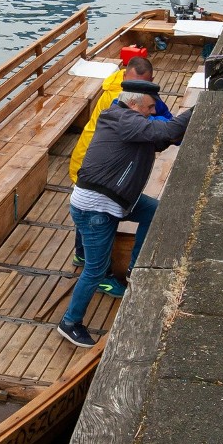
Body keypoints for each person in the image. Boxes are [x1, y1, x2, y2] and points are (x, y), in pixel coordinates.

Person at [57, 82, 192, 348]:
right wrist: (199, 108)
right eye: (150, 107)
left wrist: (170, 135)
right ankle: (70, 322)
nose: (153, 112)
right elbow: (168, 129)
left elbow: (161, 139)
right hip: (96, 208)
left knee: (153, 210)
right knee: (95, 272)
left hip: (114, 200)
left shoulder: (126, 121)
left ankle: (132, 268)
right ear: (134, 104)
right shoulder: (124, 118)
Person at [68, 55, 172, 287]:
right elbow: (148, 125)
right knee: (98, 214)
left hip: (100, 163)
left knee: (91, 212)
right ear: (125, 77)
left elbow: (164, 116)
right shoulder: (115, 99)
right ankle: (99, 272)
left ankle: (84, 254)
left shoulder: (142, 95)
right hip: (92, 164)